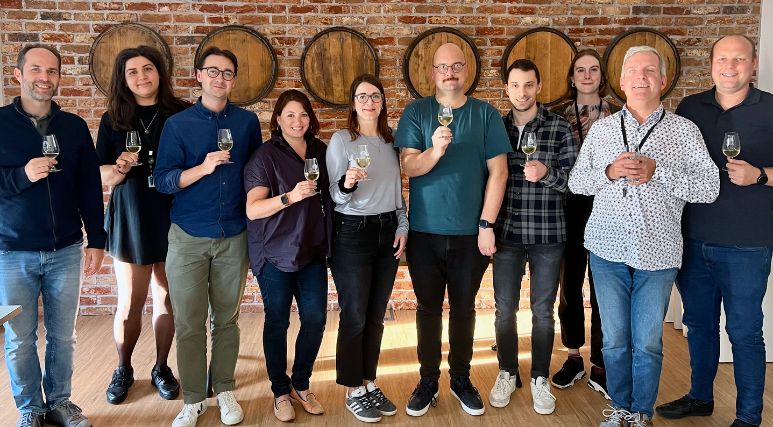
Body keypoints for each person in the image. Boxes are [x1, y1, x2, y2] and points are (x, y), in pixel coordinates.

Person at [568, 45, 719, 427]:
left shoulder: (684, 131)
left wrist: (659, 172)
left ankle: (641, 414)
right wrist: (609, 172)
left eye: (650, 70)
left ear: (663, 80)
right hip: (606, 250)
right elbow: (576, 183)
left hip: (659, 252)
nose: (641, 77)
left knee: (648, 342)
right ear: (621, 81)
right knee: (614, 339)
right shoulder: (602, 130)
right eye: (633, 70)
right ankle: (621, 409)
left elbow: (710, 187)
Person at [655, 35, 773, 427]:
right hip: (693, 238)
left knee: (744, 331)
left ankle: (749, 417)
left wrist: (760, 175)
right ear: (711, 64)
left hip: (747, 243)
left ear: (753, 64)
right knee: (699, 325)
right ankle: (700, 397)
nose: (730, 66)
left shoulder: (771, 108)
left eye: (739, 59)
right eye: (722, 58)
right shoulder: (690, 108)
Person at [395, 42, 511, 417]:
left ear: (466, 71)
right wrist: (435, 151)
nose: (450, 73)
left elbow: (499, 173)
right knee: (428, 309)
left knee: (464, 309)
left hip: (469, 234)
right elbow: (409, 167)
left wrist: (486, 224)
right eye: (443, 67)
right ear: (432, 73)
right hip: (425, 233)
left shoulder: (485, 114)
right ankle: (428, 381)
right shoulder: (416, 113)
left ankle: (460, 378)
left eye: (456, 66)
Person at [154, 46, 262, 427]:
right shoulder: (177, 125)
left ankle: (225, 389)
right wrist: (201, 168)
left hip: (234, 234)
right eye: (212, 71)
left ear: (234, 80)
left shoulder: (247, 123)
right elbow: (162, 180)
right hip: (188, 236)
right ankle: (194, 399)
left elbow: (257, 175)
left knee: (227, 319)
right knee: (189, 322)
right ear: (199, 75)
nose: (220, 78)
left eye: (227, 73)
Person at [0, 44, 106, 427]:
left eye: (52, 71)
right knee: (18, 338)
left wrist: (97, 239)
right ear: (18, 74)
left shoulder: (73, 127)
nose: (44, 78)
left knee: (63, 336)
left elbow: (89, 187)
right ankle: (30, 408)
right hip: (12, 252)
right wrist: (22, 175)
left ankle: (60, 402)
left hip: (66, 250)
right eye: (36, 69)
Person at [96, 45, 189, 406]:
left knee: (167, 297)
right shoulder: (113, 118)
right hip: (131, 214)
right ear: (123, 79)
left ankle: (162, 367)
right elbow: (101, 175)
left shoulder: (181, 113)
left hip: (173, 213)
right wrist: (119, 168)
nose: (141, 77)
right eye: (132, 71)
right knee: (130, 301)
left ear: (159, 72)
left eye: (148, 68)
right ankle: (123, 368)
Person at [489, 59, 577, 415]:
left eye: (528, 85)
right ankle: (508, 372)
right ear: (506, 89)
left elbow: (576, 182)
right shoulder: (496, 128)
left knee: (542, 311)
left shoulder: (559, 127)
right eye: (515, 85)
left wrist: (547, 173)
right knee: (504, 310)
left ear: (538, 86)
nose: (522, 92)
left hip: (548, 233)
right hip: (507, 233)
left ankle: (540, 377)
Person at [244, 89, 333, 423]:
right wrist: (290, 197)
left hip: (311, 249)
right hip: (274, 252)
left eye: (304, 114)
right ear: (278, 119)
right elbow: (253, 209)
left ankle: (301, 383)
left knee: (316, 319)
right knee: (278, 321)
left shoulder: (320, 150)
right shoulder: (264, 156)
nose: (298, 121)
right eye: (291, 115)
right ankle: (280, 391)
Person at [326, 74, 408, 423]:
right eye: (362, 96)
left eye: (375, 96)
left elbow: (397, 191)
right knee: (355, 314)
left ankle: (369, 381)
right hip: (353, 232)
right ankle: (352, 389)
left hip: (387, 231)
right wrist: (347, 182)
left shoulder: (392, 141)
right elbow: (334, 194)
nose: (369, 102)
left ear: (383, 101)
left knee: (376, 315)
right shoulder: (342, 140)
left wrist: (403, 225)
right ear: (353, 102)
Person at [550, 48, 619, 400]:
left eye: (593, 69)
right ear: (572, 77)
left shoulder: (620, 115)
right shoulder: (557, 116)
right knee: (570, 284)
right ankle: (574, 355)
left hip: (607, 206)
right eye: (581, 70)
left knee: (604, 287)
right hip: (569, 206)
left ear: (601, 76)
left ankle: (602, 363)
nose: (587, 75)